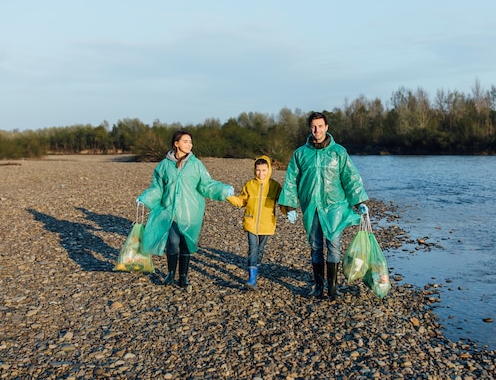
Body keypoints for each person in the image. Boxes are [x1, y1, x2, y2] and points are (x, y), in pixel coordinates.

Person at [279, 111, 369, 300]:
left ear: (327, 127)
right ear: (309, 128)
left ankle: (333, 288)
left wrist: (359, 201)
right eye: (313, 126)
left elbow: (350, 177)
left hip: (335, 206)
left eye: (320, 126)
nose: (316, 130)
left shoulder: (339, 153)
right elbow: (291, 180)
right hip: (311, 206)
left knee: (334, 245)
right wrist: (290, 206)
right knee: (315, 246)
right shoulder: (301, 154)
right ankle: (319, 286)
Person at [136, 130, 234, 292]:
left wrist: (223, 190)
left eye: (190, 142)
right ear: (176, 144)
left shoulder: (196, 165)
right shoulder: (164, 165)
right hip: (170, 211)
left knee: (186, 243)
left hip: (191, 211)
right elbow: (158, 188)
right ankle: (170, 274)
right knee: (173, 243)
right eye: (186, 141)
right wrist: (144, 197)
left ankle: (183, 277)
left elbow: (206, 184)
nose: (190, 144)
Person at [227, 155, 286, 290]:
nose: (261, 173)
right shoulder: (249, 184)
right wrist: (229, 196)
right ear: (254, 170)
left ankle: (255, 271)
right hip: (251, 222)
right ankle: (251, 279)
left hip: (267, 224)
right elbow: (241, 201)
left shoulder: (274, 186)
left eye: (264, 170)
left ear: (269, 170)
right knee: (252, 250)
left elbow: (282, 203)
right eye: (258, 170)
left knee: (260, 251)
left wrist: (289, 211)